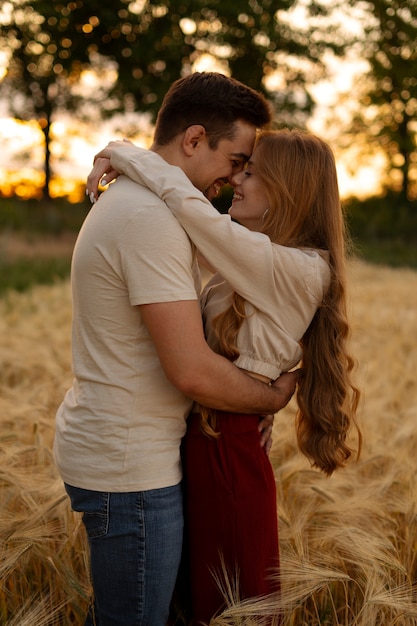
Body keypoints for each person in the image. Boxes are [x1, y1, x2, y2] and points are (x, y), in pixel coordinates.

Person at [86, 128, 361, 625]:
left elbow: (187, 207)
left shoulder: (300, 268)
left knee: (233, 607)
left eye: (250, 172)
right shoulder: (255, 259)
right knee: (196, 605)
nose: (236, 179)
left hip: (227, 452)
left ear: (286, 191)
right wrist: (265, 392)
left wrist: (125, 153)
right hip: (203, 441)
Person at [54, 72, 300, 626]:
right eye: (235, 159)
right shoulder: (148, 219)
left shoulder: (150, 208)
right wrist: (269, 399)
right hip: (130, 467)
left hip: (132, 454)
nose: (235, 176)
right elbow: (190, 370)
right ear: (193, 140)